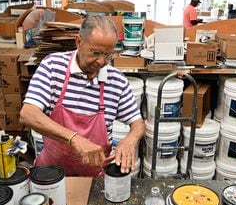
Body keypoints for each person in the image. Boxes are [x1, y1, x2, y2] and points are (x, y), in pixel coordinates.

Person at [20, 15, 145, 177]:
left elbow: (138, 123)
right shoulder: (53, 66)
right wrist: (74, 139)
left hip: (94, 176)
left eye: (108, 55)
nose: (101, 61)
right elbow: (28, 114)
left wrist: (130, 141)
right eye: (96, 52)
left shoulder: (117, 81)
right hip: (51, 174)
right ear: (79, 42)